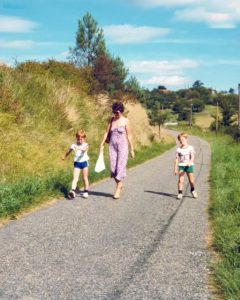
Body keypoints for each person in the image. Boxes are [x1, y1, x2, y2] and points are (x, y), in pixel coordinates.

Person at [100, 102, 135, 199]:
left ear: (121, 111)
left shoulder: (125, 121)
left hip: (122, 147)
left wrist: (132, 149)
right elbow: (106, 133)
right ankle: (120, 184)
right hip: (112, 147)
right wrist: (102, 143)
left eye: (117, 112)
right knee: (113, 168)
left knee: (120, 167)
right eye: (114, 112)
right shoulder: (111, 120)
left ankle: (118, 188)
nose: (116, 114)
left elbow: (129, 135)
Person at [62, 129, 89, 199]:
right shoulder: (73, 145)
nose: (80, 141)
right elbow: (69, 151)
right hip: (77, 163)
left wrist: (78, 147)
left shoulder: (86, 144)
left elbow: (85, 149)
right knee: (75, 178)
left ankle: (86, 191)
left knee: (85, 178)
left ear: (84, 138)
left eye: (81, 139)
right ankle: (72, 191)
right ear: (76, 138)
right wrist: (65, 156)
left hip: (84, 163)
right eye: (78, 139)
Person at [174, 132, 198, 200]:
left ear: (186, 139)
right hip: (181, 166)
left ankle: (193, 190)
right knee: (180, 180)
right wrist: (175, 169)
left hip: (189, 165)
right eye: (180, 139)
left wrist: (190, 162)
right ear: (179, 140)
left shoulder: (190, 148)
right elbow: (176, 159)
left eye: (183, 139)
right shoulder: (178, 149)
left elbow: (192, 157)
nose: (182, 141)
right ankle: (180, 193)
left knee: (191, 180)